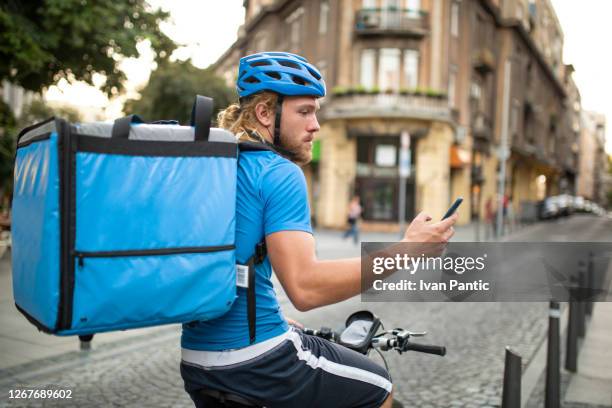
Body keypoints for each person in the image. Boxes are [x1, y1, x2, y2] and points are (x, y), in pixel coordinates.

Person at [179, 52, 458, 408]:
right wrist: (408, 249)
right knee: (379, 387)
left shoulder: (216, 166)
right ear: (265, 113)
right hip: (257, 361)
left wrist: (277, 319)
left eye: (316, 112)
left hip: (197, 359)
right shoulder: (277, 172)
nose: (316, 125)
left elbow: (233, 262)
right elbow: (306, 287)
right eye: (305, 111)